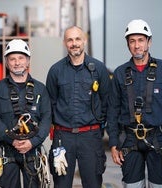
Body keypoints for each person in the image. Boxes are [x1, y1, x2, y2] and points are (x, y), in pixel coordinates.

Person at [107, 19, 162, 187]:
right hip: (129, 139)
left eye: (141, 40)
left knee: (160, 185)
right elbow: (112, 111)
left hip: (159, 137)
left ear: (149, 42)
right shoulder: (120, 73)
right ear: (127, 44)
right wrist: (113, 143)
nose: (137, 45)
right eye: (132, 41)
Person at [46, 26, 110, 188]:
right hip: (63, 138)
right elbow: (50, 104)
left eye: (78, 39)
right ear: (64, 43)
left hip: (90, 138)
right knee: (61, 184)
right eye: (70, 40)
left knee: (93, 184)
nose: (74, 43)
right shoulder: (55, 71)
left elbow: (106, 102)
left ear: (85, 41)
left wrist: (99, 127)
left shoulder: (99, 69)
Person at [0, 39, 52, 188]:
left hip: (33, 151)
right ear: (6, 62)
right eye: (12, 59)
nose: (17, 63)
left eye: (21, 58)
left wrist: (32, 142)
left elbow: (47, 119)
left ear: (28, 61)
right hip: (7, 151)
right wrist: (12, 141)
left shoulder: (40, 89)